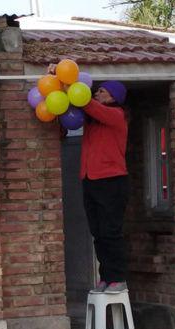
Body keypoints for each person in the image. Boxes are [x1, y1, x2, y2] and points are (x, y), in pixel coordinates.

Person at [49, 65, 130, 294]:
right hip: (91, 180)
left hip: (111, 181)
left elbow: (87, 103)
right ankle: (106, 277)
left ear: (115, 97)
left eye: (103, 91)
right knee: (98, 232)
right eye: (98, 91)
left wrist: (65, 81)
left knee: (110, 231)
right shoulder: (92, 121)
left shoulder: (116, 115)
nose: (97, 93)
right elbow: (71, 116)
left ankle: (118, 277)